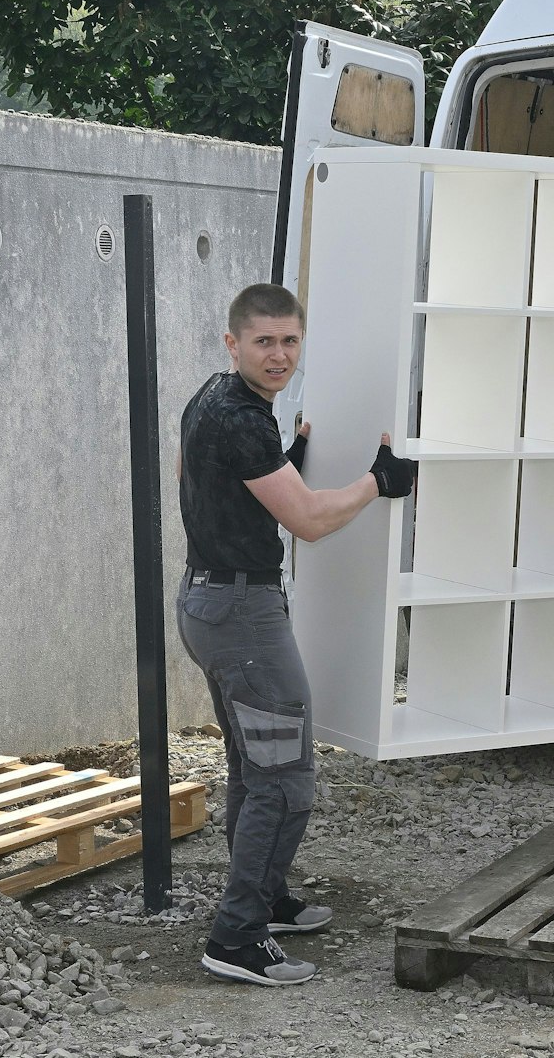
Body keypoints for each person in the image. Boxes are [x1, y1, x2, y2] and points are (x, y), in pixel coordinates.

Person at [176, 282, 416, 986]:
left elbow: (203, 485)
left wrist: (287, 464)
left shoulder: (213, 399)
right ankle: (238, 937)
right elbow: (309, 521)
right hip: (243, 617)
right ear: (233, 342)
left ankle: (267, 898)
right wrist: (378, 480)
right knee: (287, 779)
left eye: (289, 341)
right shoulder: (246, 420)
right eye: (264, 341)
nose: (279, 355)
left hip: (207, 602)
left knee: (257, 767)